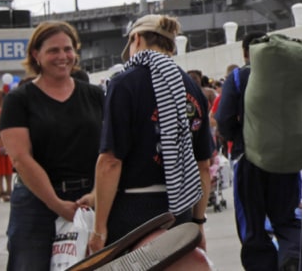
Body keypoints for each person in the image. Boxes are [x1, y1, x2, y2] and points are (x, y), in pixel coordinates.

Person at [90, 15, 213, 256]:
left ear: (136, 39)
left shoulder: (124, 83)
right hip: (181, 211)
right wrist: (198, 224)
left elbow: (111, 161)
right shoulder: (191, 87)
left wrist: (98, 229)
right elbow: (203, 166)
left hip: (133, 212)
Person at [0, 20, 103, 269]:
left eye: (68, 49)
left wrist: (96, 194)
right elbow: (21, 159)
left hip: (89, 200)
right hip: (36, 204)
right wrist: (56, 204)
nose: (63, 56)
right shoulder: (18, 101)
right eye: (53, 50)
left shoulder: (95, 96)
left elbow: (111, 151)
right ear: (36, 54)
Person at [216, 32, 302, 270]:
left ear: (245, 53)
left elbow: (223, 117)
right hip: (287, 158)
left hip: (250, 157)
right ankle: (295, 257)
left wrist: (237, 138)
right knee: (287, 218)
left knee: (252, 225)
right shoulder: (289, 73)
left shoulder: (237, 76)